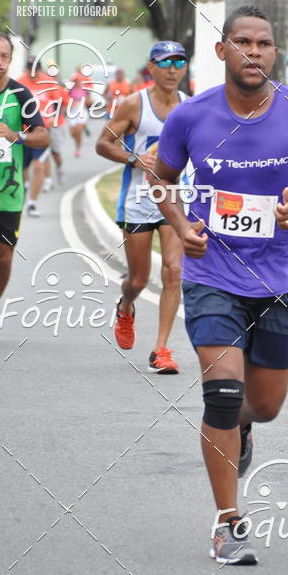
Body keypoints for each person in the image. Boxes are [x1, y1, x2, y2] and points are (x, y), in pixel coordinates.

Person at [154, 6, 288, 565]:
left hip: (281, 279)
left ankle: (244, 433)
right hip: (212, 274)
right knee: (223, 394)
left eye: (263, 44)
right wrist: (183, 227)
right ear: (222, 52)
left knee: (263, 405)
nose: (253, 52)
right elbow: (162, 182)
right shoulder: (190, 117)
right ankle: (228, 523)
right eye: (242, 42)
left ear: (275, 53)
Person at [96, 41, 190, 373]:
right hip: (138, 202)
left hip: (177, 200)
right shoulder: (134, 104)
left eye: (179, 62)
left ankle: (161, 350)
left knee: (174, 271)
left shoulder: (191, 108)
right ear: (151, 68)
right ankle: (126, 306)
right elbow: (103, 143)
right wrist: (135, 158)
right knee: (138, 279)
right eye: (165, 62)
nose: (173, 69)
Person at [0, 31, 49, 340]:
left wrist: (15, 135)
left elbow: (43, 136)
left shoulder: (20, 95)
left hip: (8, 192)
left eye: (5, 56)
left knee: (3, 257)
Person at [16, 55, 55, 216]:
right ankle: (23, 191)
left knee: (38, 164)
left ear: (40, 69)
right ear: (26, 69)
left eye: (35, 69)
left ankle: (32, 203)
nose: (33, 73)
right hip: (23, 131)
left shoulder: (49, 83)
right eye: (29, 69)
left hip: (41, 131)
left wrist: (55, 117)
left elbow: (58, 103)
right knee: (23, 168)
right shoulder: (18, 83)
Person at [67, 75, 92, 157]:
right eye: (75, 81)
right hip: (72, 112)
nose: (77, 82)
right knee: (73, 133)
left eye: (78, 81)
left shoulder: (85, 90)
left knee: (78, 130)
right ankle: (82, 132)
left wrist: (85, 101)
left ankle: (78, 149)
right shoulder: (69, 91)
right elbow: (65, 100)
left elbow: (90, 101)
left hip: (82, 111)